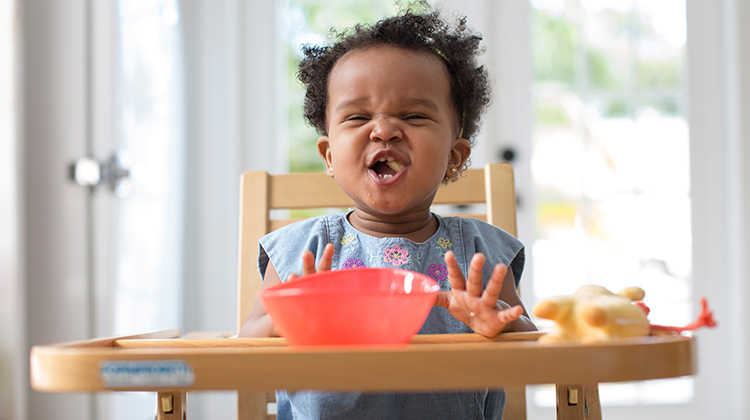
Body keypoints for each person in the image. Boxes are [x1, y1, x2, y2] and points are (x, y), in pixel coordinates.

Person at [239, 4, 537, 419]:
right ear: (328, 155)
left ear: (455, 156)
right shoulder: (303, 249)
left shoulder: (478, 251)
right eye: (359, 116)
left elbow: (533, 349)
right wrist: (288, 316)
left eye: (414, 115)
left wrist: (502, 325)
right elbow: (245, 343)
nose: (383, 129)